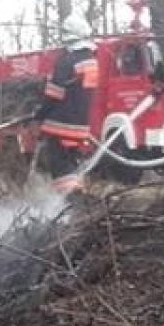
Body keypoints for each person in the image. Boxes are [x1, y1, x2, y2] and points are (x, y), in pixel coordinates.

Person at [34, 14, 100, 194]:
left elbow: (54, 94)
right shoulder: (92, 60)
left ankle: (68, 204)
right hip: (80, 126)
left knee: (59, 164)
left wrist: (39, 114)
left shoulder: (66, 60)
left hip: (59, 124)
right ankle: (76, 197)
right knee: (71, 164)